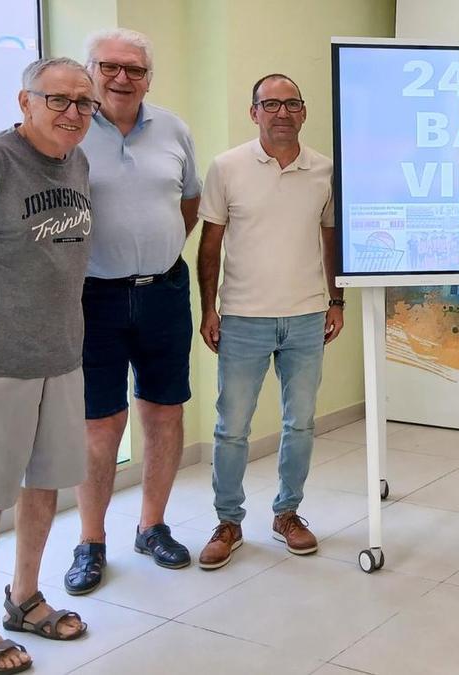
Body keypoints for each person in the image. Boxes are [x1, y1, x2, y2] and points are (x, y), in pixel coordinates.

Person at [0, 57, 95, 674]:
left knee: (45, 482)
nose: (73, 113)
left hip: (61, 357)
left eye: (83, 103)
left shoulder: (79, 161)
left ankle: (24, 596)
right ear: (25, 101)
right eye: (58, 100)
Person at [63, 28, 202, 596]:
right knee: (100, 426)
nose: (122, 78)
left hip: (164, 290)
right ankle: (90, 542)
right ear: (91, 69)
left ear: (149, 76)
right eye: (110, 66)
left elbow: (189, 202)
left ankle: (151, 527)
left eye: (135, 69)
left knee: (165, 412)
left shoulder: (173, 128)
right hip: (91, 296)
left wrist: (158, 249)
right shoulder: (67, 130)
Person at [195, 73, 344, 569]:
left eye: (292, 103)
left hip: (306, 317)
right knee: (232, 427)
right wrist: (209, 308)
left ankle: (287, 514)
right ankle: (228, 521)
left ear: (304, 112)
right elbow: (210, 242)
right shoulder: (227, 167)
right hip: (243, 318)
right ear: (253, 112)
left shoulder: (324, 169)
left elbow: (330, 239)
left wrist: (335, 300)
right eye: (271, 104)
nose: (282, 112)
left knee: (300, 423)